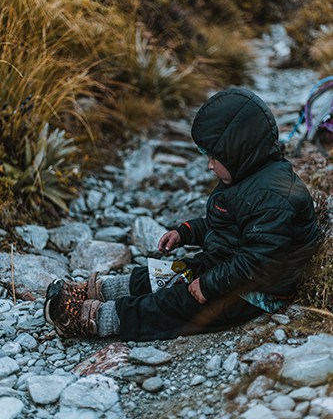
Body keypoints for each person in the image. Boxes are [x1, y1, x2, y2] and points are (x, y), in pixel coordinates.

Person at [44, 87, 319, 341]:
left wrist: (210, 286)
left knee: (175, 303)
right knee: (168, 273)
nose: (210, 166)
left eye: (214, 157)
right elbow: (223, 225)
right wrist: (185, 232)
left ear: (238, 151)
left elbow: (258, 262)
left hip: (253, 292)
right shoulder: (245, 176)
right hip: (228, 268)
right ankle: (100, 290)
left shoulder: (273, 196)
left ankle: (94, 319)